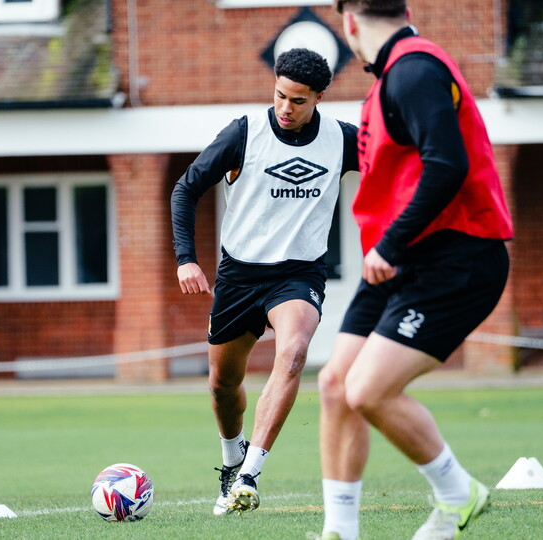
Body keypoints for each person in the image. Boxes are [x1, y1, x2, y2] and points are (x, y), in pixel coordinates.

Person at [318, 1, 513, 539]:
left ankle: (458, 494)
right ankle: (341, 532)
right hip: (400, 261)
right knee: (335, 385)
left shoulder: (414, 69)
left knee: (367, 391)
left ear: (349, 22)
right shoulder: (390, 80)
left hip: (455, 256)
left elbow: (446, 163)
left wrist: (393, 243)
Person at [171, 47, 358, 516]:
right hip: (239, 274)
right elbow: (186, 188)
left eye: (298, 100)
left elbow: (398, 167)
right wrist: (186, 260)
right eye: (280, 96)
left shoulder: (342, 140)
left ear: (319, 97)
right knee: (221, 385)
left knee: (293, 351)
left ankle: (249, 475)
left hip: (298, 274)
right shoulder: (244, 133)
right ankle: (232, 460)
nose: (286, 108)